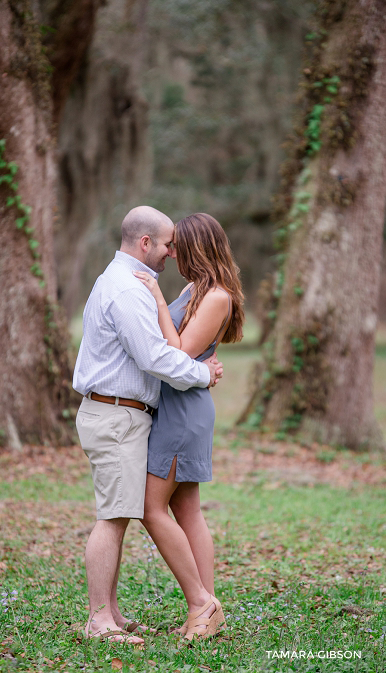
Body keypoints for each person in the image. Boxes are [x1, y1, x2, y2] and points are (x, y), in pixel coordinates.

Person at [71, 205, 224, 644]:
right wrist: (203, 373)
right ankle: (100, 620)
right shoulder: (126, 289)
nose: (170, 253)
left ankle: (111, 613)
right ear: (145, 243)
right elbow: (155, 356)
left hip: (125, 414)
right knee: (114, 516)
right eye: (166, 244)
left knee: (119, 514)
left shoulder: (126, 282)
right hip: (116, 415)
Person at [132, 213, 244, 641]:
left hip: (185, 413)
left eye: (179, 244)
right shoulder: (194, 289)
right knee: (186, 510)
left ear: (198, 247)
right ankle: (206, 609)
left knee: (150, 507)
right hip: (176, 405)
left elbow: (178, 350)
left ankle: (203, 604)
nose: (172, 251)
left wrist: (158, 301)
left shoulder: (217, 296)